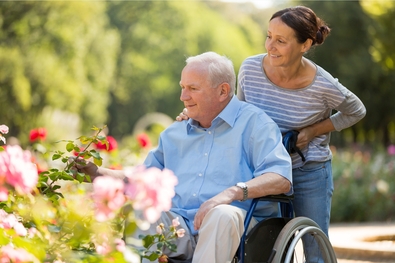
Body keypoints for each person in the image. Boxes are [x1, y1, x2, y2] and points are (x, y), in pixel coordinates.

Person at [178, 6, 366, 263]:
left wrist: (312, 131)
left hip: (306, 166)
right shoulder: (250, 69)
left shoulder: (322, 84)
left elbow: (356, 111)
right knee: (259, 242)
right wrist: (196, 111)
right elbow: (236, 112)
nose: (270, 46)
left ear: (305, 44)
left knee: (314, 249)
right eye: (268, 36)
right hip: (260, 167)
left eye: (280, 40)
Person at [77, 51, 292, 263]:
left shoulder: (255, 124)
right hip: (179, 229)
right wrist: (97, 172)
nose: (183, 96)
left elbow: (281, 178)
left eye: (193, 88)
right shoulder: (174, 133)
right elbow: (143, 180)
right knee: (141, 210)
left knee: (222, 214)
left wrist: (231, 193)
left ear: (222, 91)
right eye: (182, 87)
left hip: (239, 233)